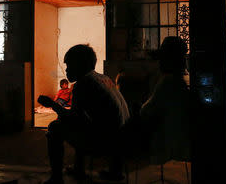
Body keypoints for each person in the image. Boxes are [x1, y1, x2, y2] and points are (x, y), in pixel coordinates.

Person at [38, 44, 130, 184]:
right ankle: (110, 171)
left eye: (68, 65)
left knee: (55, 127)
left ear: (79, 64)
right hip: (121, 141)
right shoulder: (103, 78)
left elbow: (73, 118)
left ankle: (56, 178)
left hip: (104, 143)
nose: (67, 70)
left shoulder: (83, 84)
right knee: (85, 122)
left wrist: (52, 105)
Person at [140, 36, 192, 165]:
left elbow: (146, 111)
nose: (159, 63)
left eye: (162, 58)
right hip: (185, 136)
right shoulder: (187, 78)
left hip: (171, 139)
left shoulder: (169, 82)